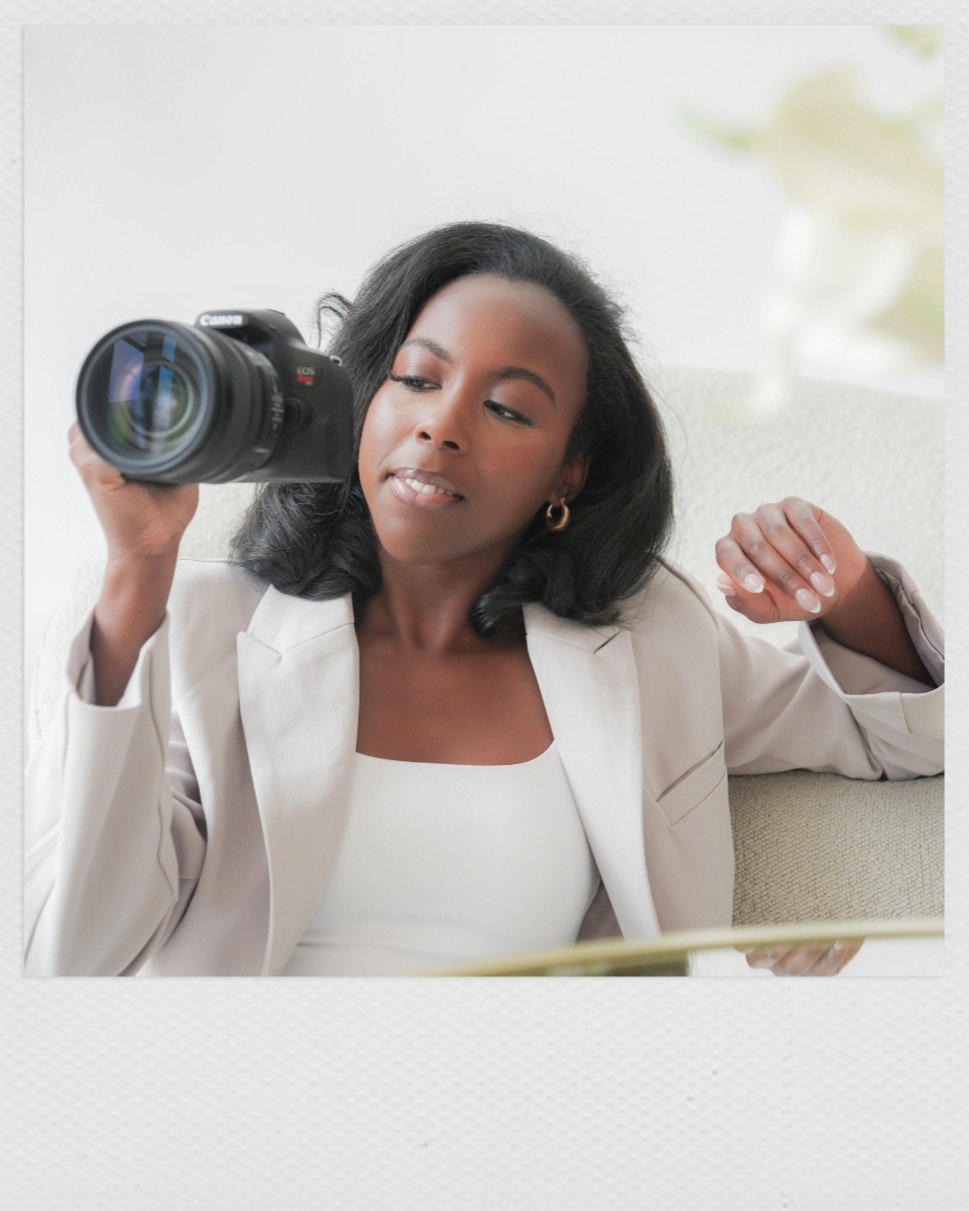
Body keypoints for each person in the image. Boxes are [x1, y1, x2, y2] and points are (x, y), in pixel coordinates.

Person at [24, 222, 943, 978]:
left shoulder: (648, 637)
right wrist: (136, 571)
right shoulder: (200, 628)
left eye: (507, 408)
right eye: (416, 380)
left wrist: (846, 585)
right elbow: (76, 961)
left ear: (568, 469)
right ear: (359, 404)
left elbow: (905, 734)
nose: (439, 423)